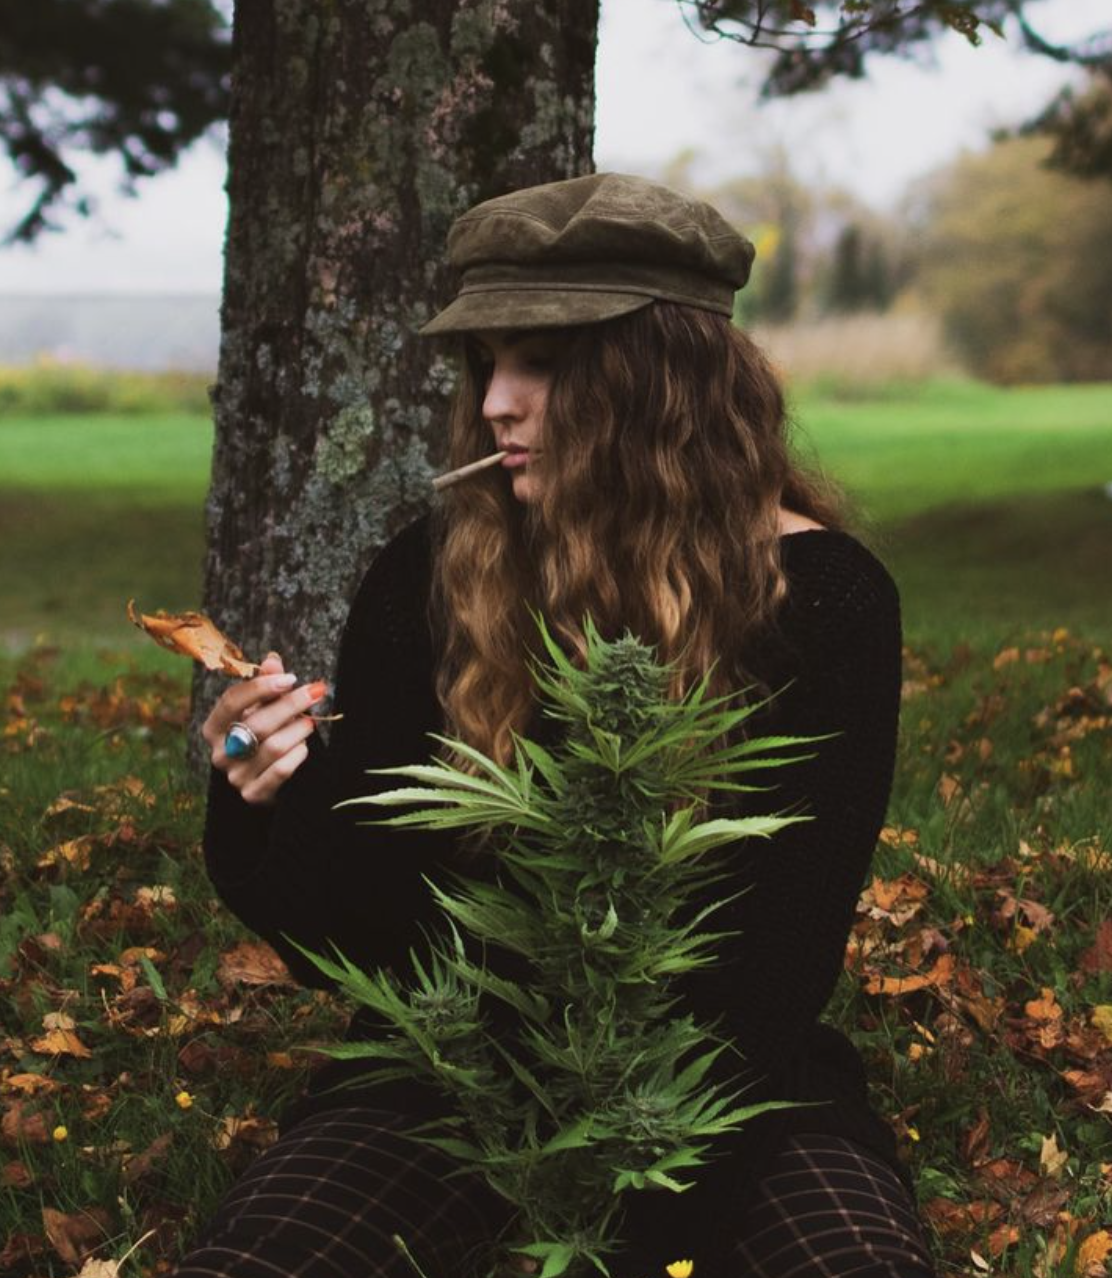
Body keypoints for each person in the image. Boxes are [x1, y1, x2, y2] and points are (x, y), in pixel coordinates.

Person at [176, 173, 936, 1278]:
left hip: (725, 1095)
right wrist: (268, 793)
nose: (494, 402)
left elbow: (771, 964)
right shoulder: (434, 573)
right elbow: (365, 936)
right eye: (486, 361)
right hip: (444, 1076)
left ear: (659, 380)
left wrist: (632, 1229)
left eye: (540, 362)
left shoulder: (821, 598)